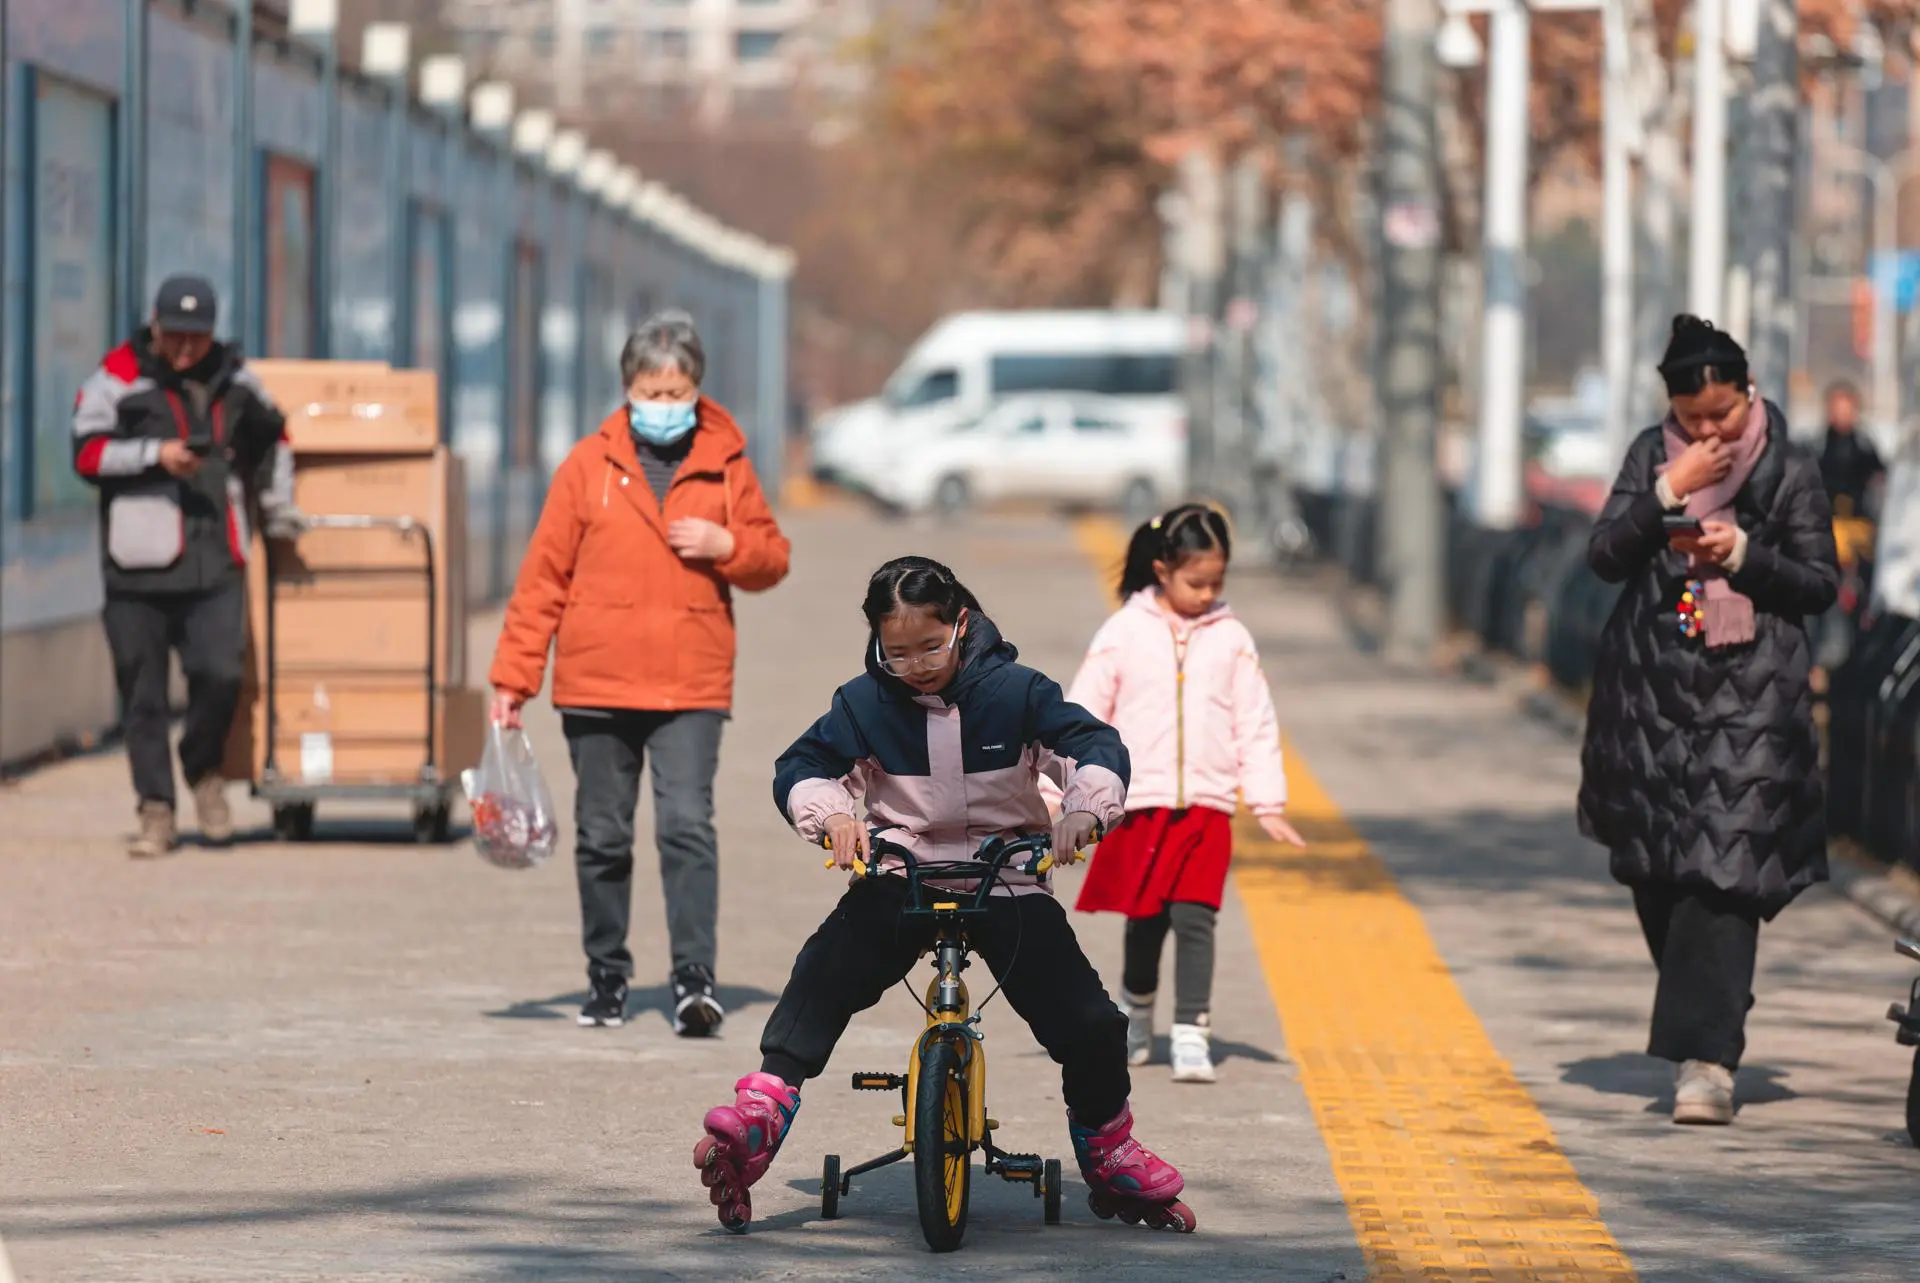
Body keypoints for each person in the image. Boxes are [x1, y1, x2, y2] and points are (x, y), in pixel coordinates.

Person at [691, 557, 1196, 1234]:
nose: (917, 664)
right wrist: (835, 816)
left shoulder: (1017, 692)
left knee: (1091, 1021)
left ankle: (1109, 1148)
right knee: (824, 970)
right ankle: (762, 1113)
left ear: (961, 624)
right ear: (875, 642)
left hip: (1006, 873)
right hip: (904, 871)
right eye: (897, 652)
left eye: (930, 646)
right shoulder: (863, 703)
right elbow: (803, 768)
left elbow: (1092, 744)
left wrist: (1085, 808)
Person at [490, 309, 791, 1037]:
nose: (664, 405)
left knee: (687, 825)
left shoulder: (727, 463)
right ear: (628, 390)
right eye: (651, 392)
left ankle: (695, 977)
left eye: (677, 390)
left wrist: (727, 543)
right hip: (597, 685)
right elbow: (542, 581)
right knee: (603, 834)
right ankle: (608, 975)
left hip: (690, 680)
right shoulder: (585, 467)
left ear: (697, 389)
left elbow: (772, 556)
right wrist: (512, 681)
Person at [1579, 315, 1839, 1126]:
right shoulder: (1649, 459)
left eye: (1722, 414)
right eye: (1693, 419)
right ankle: (1715, 1008)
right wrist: (1667, 489)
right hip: (1651, 699)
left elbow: (1819, 581)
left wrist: (1742, 558)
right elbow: (1605, 556)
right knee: (1659, 876)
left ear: (1748, 393)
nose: (1710, 432)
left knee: (1720, 874)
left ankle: (1707, 1062)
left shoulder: (1789, 471)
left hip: (1753, 698)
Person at [1057, 504, 1305, 1085]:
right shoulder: (1123, 631)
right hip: (1140, 802)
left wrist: (1266, 801)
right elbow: (1083, 714)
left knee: (1196, 918)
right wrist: (1057, 792)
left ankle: (1193, 1029)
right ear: (1163, 568)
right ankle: (1136, 1013)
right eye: (1197, 582)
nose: (1208, 593)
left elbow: (1256, 720)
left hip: (1206, 806)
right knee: (1146, 919)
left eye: (1218, 582)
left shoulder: (1233, 639)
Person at [72, 274, 299, 859]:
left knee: (221, 674)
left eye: (196, 339)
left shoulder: (238, 378)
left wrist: (278, 511)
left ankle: (202, 769)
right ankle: (156, 810)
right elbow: (87, 452)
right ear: (155, 324)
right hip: (137, 566)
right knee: (142, 695)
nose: (184, 350)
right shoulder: (117, 378)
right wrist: (155, 455)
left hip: (216, 560)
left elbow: (277, 439)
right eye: (175, 336)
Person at [1816, 379, 1883, 519]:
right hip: (1825, 521)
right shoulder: (1817, 447)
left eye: (1847, 408)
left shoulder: (1865, 448)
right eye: (1838, 408)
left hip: (1860, 523)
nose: (1843, 414)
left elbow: (1879, 479)